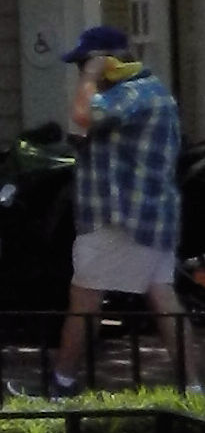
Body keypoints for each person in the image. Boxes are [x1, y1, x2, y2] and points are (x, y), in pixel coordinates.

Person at [51, 24, 184, 393]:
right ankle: (193, 387)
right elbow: (84, 135)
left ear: (108, 61)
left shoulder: (131, 94)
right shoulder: (150, 91)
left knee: (84, 298)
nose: (81, 72)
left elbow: (82, 116)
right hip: (149, 215)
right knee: (163, 297)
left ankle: (61, 384)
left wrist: (89, 78)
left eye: (84, 64)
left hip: (120, 216)